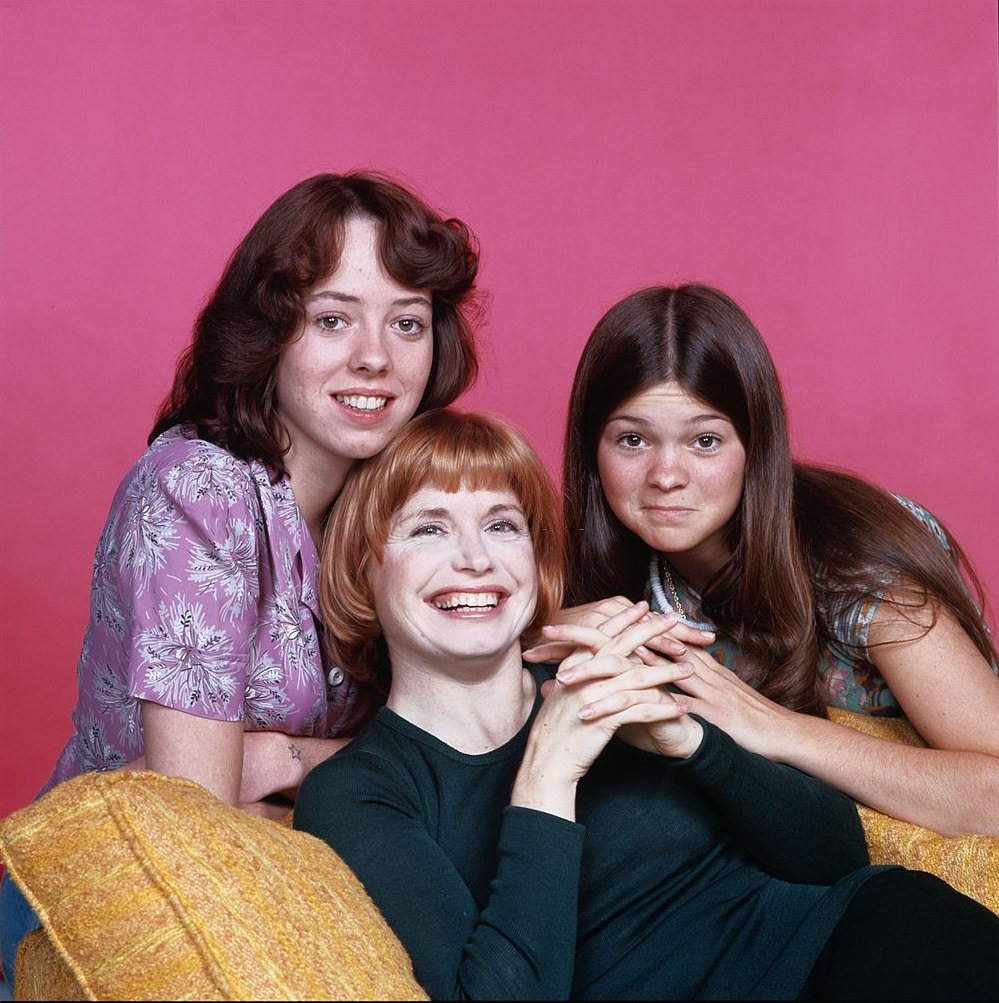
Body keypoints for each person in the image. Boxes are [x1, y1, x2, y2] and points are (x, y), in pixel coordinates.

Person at [294, 407, 999, 1001]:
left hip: (870, 945)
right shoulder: (359, 792)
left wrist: (695, 744)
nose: (475, 558)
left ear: (535, 565)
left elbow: (834, 859)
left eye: (502, 525)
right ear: (362, 567)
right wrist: (545, 780)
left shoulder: (617, 678)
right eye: (429, 527)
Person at [0, 170, 481, 991]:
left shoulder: (395, 504)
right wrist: (374, 779)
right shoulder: (200, 486)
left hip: (281, 912)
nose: (376, 356)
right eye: (333, 319)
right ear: (269, 333)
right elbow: (198, 815)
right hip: (106, 927)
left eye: (408, 322)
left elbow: (471, 758)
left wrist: (291, 756)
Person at [528, 282, 999, 838]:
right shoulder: (606, 574)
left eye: (704, 442)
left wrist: (773, 726)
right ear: (591, 451)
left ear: (757, 447)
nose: (666, 475)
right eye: (632, 441)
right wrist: (533, 631)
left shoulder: (859, 564)